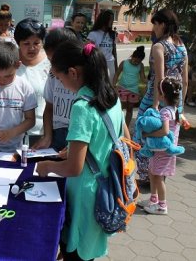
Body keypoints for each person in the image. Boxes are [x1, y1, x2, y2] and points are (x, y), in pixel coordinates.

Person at [36, 40, 128, 260]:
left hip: (85, 194)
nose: (61, 84)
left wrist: (46, 166)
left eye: (60, 79)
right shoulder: (110, 96)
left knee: (76, 251)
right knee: (87, 251)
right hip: (105, 185)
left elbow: (74, 168)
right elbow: (121, 137)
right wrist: (75, 149)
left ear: (73, 73)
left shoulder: (82, 107)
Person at [133, 9, 188, 184]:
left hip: (154, 101)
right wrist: (181, 107)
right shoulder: (182, 46)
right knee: (168, 139)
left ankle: (146, 177)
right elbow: (185, 81)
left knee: (142, 135)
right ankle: (160, 177)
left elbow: (159, 78)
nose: (154, 27)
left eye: (155, 23)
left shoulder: (159, 46)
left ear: (162, 24)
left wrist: (155, 105)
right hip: (175, 103)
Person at [137, 77, 183, 215]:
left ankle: (162, 206)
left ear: (162, 95)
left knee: (159, 176)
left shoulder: (164, 112)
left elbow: (164, 131)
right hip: (163, 149)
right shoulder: (175, 110)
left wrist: (146, 135)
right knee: (152, 172)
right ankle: (153, 199)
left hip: (162, 150)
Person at [32, 28, 78, 152]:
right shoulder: (53, 76)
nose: (52, 67)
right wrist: (47, 137)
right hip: (58, 133)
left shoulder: (83, 78)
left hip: (79, 136)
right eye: (50, 61)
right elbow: (49, 108)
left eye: (55, 61)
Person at [14, 18, 49, 144]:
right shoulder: (8, 62)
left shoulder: (50, 64)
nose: (32, 48)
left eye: (36, 43)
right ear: (18, 42)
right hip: (11, 134)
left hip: (41, 134)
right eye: (26, 43)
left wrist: (48, 136)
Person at [113, 46, 147, 126]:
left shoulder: (140, 66)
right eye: (135, 60)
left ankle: (126, 126)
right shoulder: (124, 63)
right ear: (132, 56)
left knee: (130, 109)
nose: (136, 63)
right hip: (122, 88)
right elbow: (117, 74)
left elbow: (142, 78)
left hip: (134, 90)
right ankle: (118, 124)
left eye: (138, 62)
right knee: (120, 107)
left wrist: (149, 81)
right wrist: (114, 85)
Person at [87, 9, 118, 80]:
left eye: (113, 19)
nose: (112, 21)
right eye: (110, 19)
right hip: (99, 64)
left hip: (111, 63)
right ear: (104, 20)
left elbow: (114, 51)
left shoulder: (112, 34)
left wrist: (116, 66)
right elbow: (89, 52)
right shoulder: (93, 34)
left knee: (110, 86)